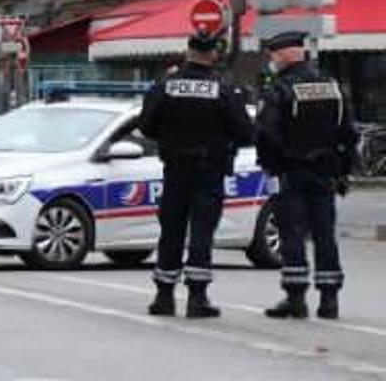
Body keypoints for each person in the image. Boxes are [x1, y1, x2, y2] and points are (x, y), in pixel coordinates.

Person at [138, 30, 252, 318]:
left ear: (188, 51)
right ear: (213, 53)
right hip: (209, 170)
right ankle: (197, 298)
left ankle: (164, 297)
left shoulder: (166, 86)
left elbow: (146, 125)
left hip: (175, 169)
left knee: (171, 230)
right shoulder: (223, 90)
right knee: (202, 231)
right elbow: (245, 132)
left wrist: (170, 135)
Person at [256, 31, 359, 321]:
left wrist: (273, 164)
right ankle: (329, 299)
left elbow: (266, 133)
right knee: (325, 235)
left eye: (275, 55)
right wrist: (343, 171)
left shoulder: (281, 89)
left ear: (289, 54)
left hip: (292, 171)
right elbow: (348, 133)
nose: (273, 61)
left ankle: (295, 298)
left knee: (293, 234)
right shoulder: (332, 86)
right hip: (325, 172)